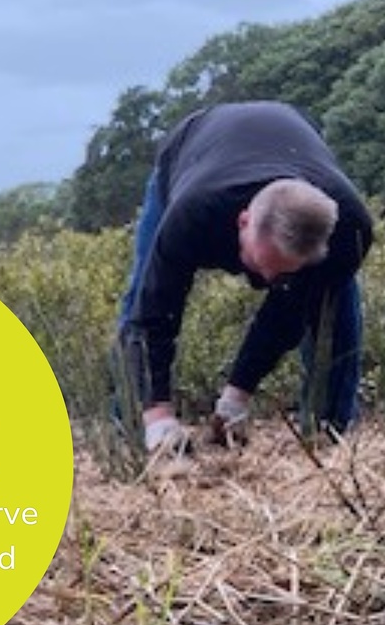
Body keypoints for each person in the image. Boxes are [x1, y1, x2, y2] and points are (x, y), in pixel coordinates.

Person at [116, 100, 374, 453]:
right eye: (261, 263)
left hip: (293, 139)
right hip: (191, 151)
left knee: (333, 303)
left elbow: (289, 312)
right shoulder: (193, 214)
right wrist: (159, 415)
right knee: (142, 297)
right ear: (243, 222)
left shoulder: (348, 230)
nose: (267, 280)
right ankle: (135, 431)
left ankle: (329, 432)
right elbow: (153, 315)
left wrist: (237, 396)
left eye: (283, 273)